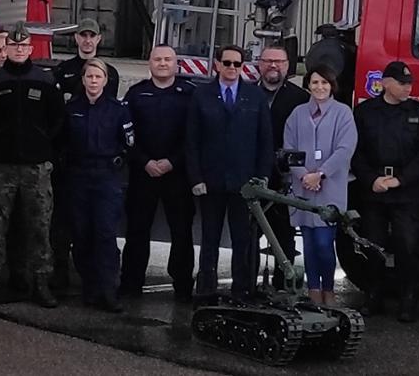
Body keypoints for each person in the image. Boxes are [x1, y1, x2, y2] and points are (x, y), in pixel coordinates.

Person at [0, 25, 65, 307]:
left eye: (24, 46)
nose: (19, 50)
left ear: (31, 49)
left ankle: (40, 283)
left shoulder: (46, 81)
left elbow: (58, 121)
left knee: (39, 227)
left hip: (36, 168)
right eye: (14, 46)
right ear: (6, 49)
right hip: (0, 167)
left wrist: (45, 149)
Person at [350, 61, 419, 322]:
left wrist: (402, 179)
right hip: (374, 189)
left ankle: (408, 298)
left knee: (408, 245)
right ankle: (372, 295)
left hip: (406, 191)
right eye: (402, 83)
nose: (407, 88)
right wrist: (370, 179)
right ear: (386, 83)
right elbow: (354, 150)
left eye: (409, 84)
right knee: (372, 244)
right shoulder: (365, 112)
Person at [187, 45, 274, 300]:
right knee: (209, 238)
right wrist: (196, 177)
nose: (232, 68)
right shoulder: (202, 95)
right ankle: (206, 289)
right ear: (217, 65)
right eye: (227, 63)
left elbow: (265, 141)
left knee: (242, 239)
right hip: (211, 181)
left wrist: (262, 177)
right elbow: (191, 140)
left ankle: (242, 289)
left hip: (245, 182)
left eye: (237, 64)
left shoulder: (255, 96)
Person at [121, 45, 197, 302]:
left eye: (167, 59)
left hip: (177, 174)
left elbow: (195, 137)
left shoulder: (189, 94)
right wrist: (144, 161)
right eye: (157, 59)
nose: (162, 63)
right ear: (149, 63)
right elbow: (126, 135)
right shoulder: (136, 94)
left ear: (176, 64)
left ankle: (184, 285)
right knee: (137, 230)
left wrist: (172, 162)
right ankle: (131, 284)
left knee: (182, 231)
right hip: (144, 173)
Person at [283, 65, 358, 308]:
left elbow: (345, 149)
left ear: (332, 85)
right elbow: (289, 149)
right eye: (315, 83)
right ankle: (313, 289)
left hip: (330, 188)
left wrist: (321, 174)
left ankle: (328, 289)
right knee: (309, 244)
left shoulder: (343, 113)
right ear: (308, 86)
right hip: (303, 188)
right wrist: (304, 176)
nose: (319, 87)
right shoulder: (297, 114)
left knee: (325, 244)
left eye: (324, 83)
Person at [63, 61, 134, 312]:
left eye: (98, 76)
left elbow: (129, 144)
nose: (93, 81)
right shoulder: (71, 109)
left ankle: (108, 290)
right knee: (82, 235)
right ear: (83, 80)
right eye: (89, 76)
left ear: (106, 81)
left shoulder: (118, 110)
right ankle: (90, 287)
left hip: (107, 178)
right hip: (78, 177)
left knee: (105, 234)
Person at [257, 44, 311, 284]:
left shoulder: (301, 99)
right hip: (254, 174)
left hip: (286, 177)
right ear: (259, 64)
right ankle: (246, 285)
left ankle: (283, 285)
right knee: (249, 233)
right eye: (268, 61)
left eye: (279, 62)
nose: (273, 66)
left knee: (284, 234)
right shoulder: (247, 94)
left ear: (288, 66)